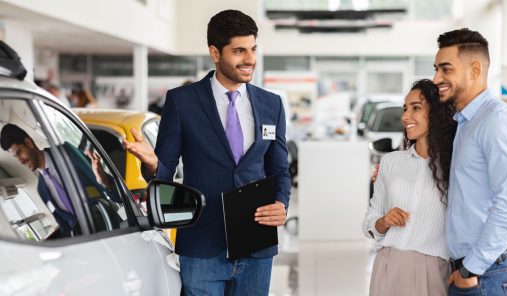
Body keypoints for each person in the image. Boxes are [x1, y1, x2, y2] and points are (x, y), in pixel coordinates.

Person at [124, 9, 290, 296]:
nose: (250, 59)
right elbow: (165, 169)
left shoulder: (271, 104)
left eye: (252, 49)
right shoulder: (182, 101)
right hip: (202, 246)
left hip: (255, 242)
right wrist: (153, 164)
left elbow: (279, 169)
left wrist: (281, 203)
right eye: (239, 51)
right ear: (215, 52)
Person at [433, 28, 507, 296]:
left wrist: (470, 269)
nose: (437, 78)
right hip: (475, 270)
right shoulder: (466, 122)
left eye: (445, 69)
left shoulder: (497, 120)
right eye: (436, 69)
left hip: (488, 273)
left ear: (475, 70)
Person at [362, 79, 457, 296]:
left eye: (416, 108)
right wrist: (384, 221)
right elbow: (368, 222)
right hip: (386, 267)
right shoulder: (390, 162)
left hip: (432, 272)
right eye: (405, 108)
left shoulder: (456, 168)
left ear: (437, 113)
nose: (405, 116)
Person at [0, 123, 119, 237]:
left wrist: (105, 183)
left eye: (19, 152)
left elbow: (115, 195)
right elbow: (65, 227)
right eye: (15, 157)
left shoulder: (67, 153)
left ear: (29, 143)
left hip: (111, 229)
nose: (20, 161)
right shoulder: (41, 190)